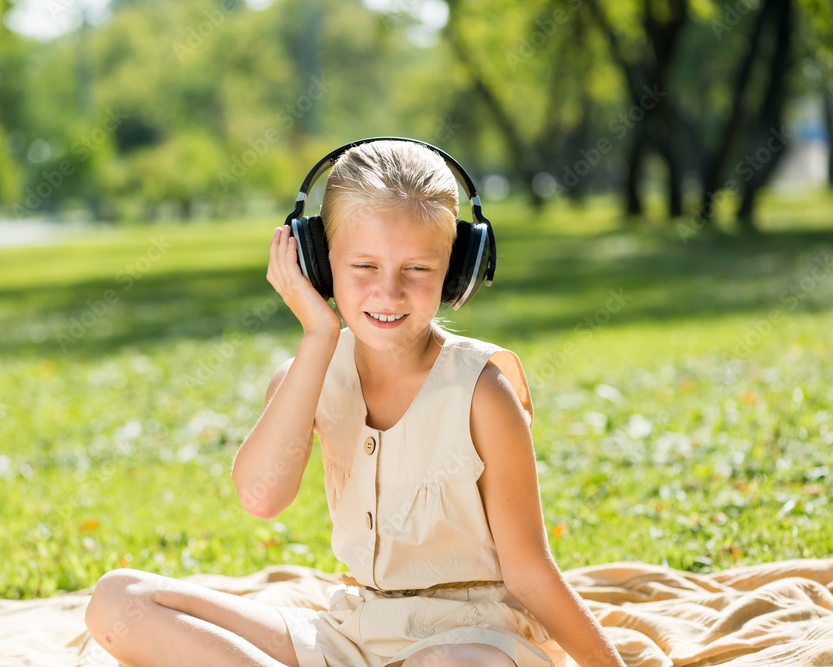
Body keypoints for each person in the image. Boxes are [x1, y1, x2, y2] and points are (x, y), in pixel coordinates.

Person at [85, 139, 626, 667]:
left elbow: (531, 572)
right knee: (121, 599)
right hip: (352, 630)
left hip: (473, 638)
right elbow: (260, 497)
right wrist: (318, 335)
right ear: (318, 264)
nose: (388, 293)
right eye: (363, 267)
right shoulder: (311, 374)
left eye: (417, 269)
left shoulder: (481, 392)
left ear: (458, 272)